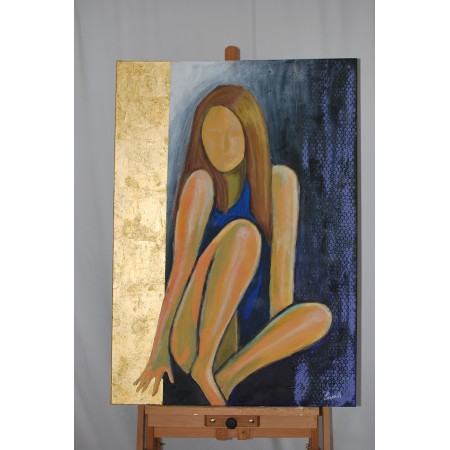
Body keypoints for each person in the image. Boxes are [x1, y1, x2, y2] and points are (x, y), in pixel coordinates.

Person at [134, 85, 332, 405]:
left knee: (319, 316)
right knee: (244, 234)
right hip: (194, 335)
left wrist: (278, 335)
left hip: (245, 338)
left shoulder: (280, 182)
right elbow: (180, 272)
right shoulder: (201, 184)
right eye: (212, 135)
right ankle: (204, 365)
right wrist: (158, 351)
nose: (222, 146)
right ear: (200, 137)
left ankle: (225, 377)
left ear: (251, 135)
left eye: (232, 134)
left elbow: (281, 289)